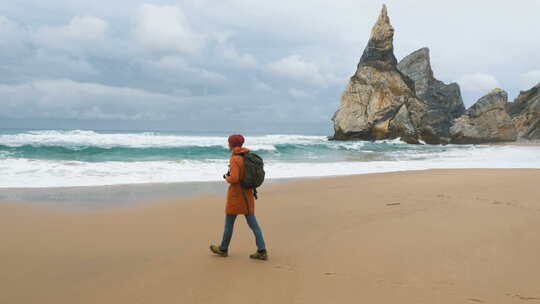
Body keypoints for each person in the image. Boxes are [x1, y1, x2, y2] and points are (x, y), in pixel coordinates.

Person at [210, 134, 268, 260]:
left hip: (236, 196)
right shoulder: (246, 156)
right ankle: (262, 250)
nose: (228, 144)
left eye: (229, 142)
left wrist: (226, 177)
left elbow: (234, 178)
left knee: (229, 224)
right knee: (253, 224)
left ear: (232, 144)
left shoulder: (235, 159)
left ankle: (223, 249)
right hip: (247, 194)